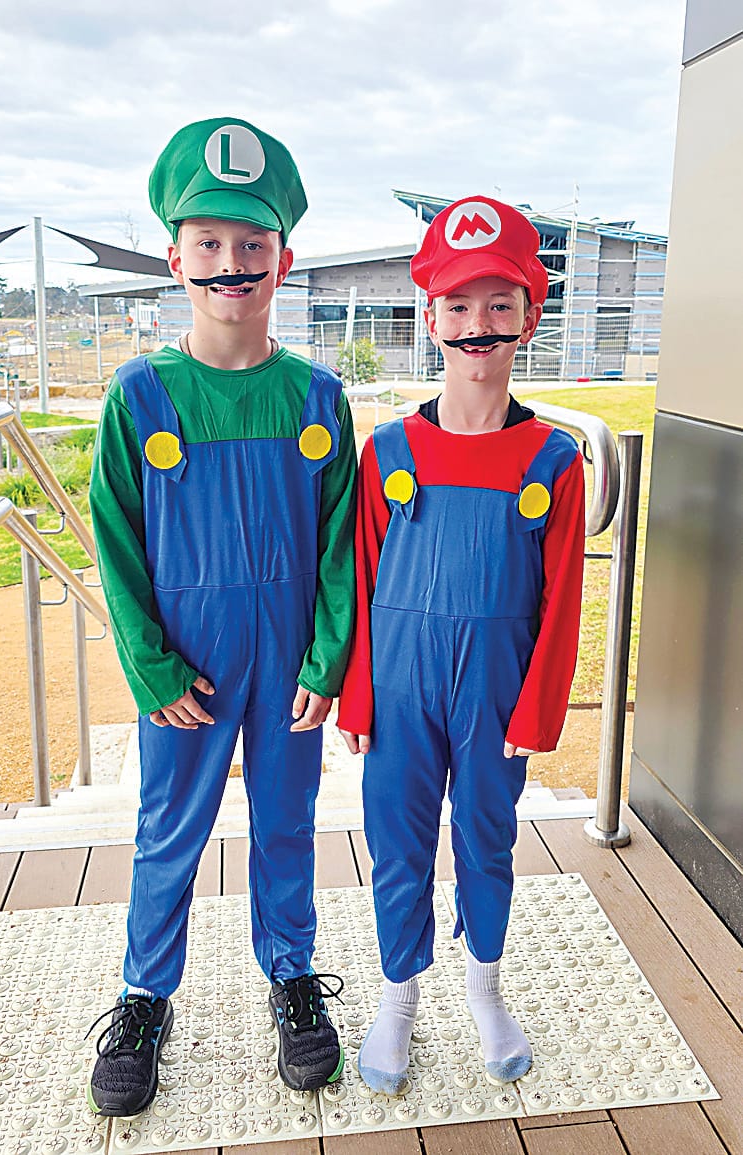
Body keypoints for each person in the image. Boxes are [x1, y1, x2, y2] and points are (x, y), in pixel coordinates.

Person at [86, 117, 357, 1117]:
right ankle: (144, 995)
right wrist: (151, 668)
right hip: (186, 669)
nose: (230, 264)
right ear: (175, 257)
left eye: (251, 245)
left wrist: (326, 659)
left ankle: (290, 973)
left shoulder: (318, 394)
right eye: (208, 244)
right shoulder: (140, 396)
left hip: (289, 662)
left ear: (282, 259)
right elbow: (114, 543)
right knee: (169, 832)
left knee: (285, 824)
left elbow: (339, 543)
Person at [338, 196, 585, 1093]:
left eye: (498, 304)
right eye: (457, 305)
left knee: (485, 837)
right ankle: (397, 998)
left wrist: (539, 705)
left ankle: (485, 990)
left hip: (496, 688)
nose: (477, 325)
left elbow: (563, 600)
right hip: (399, 687)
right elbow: (360, 584)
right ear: (429, 318)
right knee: (398, 841)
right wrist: (357, 694)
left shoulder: (553, 456)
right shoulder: (389, 448)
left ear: (529, 314)